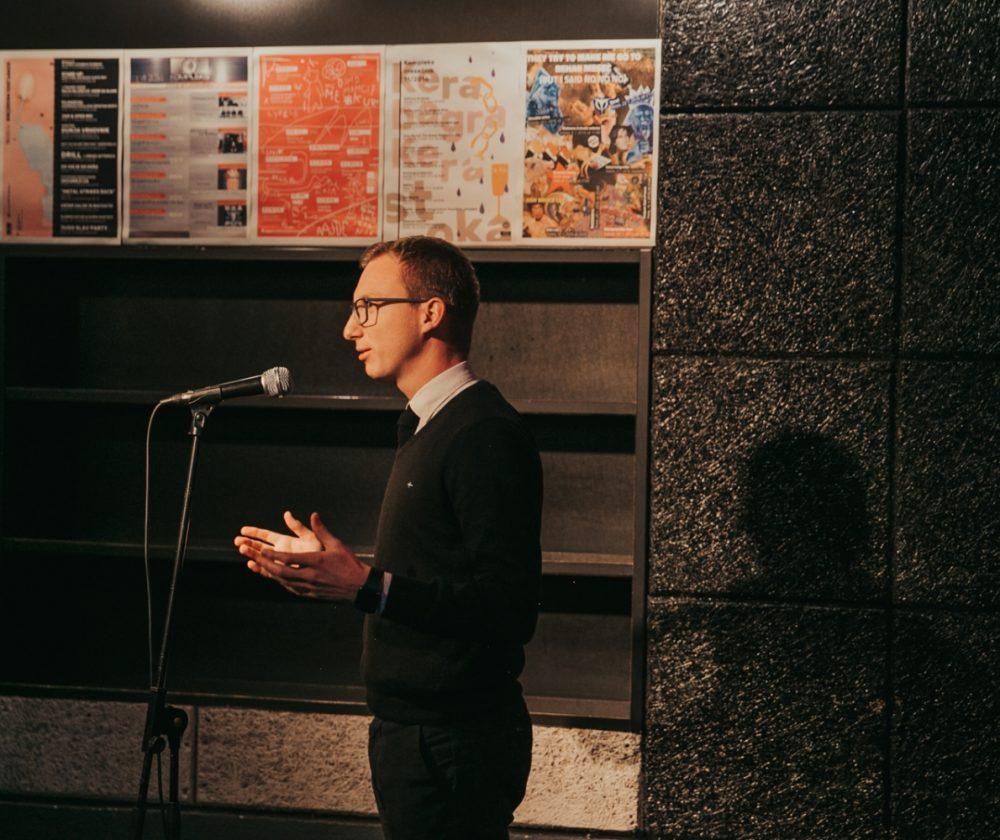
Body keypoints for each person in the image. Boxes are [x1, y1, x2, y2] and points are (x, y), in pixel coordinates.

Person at [234, 236, 543, 839]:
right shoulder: (430, 424)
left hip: (452, 740)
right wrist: (333, 571)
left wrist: (366, 586)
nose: (350, 328)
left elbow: (507, 608)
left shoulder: (482, 433)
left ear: (430, 313)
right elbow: (434, 572)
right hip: (417, 735)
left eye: (368, 308)